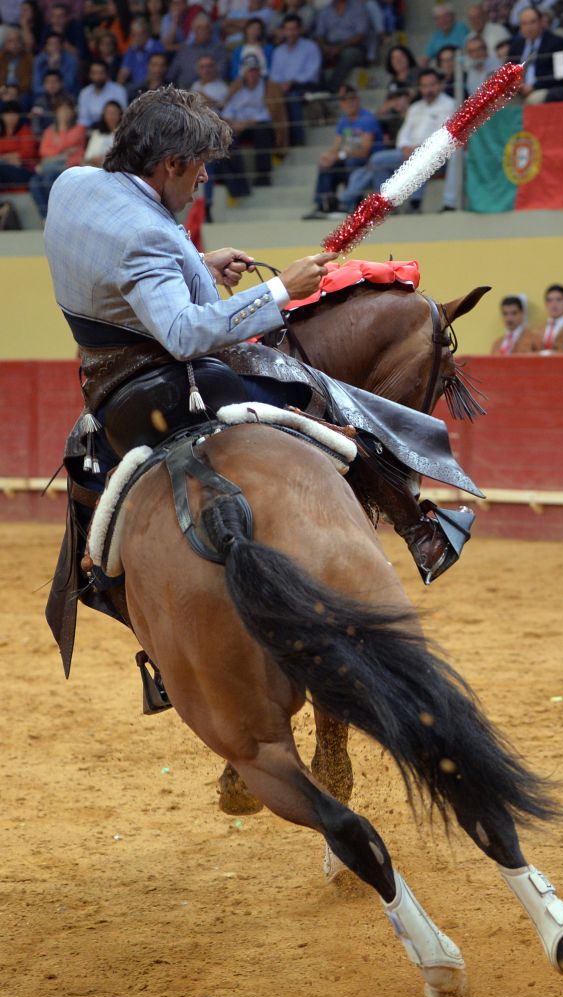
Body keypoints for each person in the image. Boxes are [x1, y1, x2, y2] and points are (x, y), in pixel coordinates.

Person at [42, 88, 478, 655]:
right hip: (172, 384)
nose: (202, 179)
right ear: (170, 163)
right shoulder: (148, 235)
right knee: (328, 398)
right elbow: (181, 334)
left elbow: (113, 261)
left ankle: (117, 588)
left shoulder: (72, 184)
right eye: (198, 167)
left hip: (102, 390)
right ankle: (419, 531)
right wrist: (280, 289)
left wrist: (197, 263)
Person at [358, 67, 457, 214]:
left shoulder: (450, 105)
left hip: (437, 156)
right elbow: (404, 133)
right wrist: (404, 147)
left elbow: (445, 137)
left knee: (422, 156)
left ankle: (415, 204)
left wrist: (420, 148)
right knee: (377, 160)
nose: (428, 89)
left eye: (432, 85)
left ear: (440, 85)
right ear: (420, 88)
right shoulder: (415, 107)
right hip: (409, 152)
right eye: (424, 86)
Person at [302, 83, 382, 217]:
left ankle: (354, 204)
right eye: (344, 100)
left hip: (367, 161)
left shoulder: (367, 119)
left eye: (352, 99)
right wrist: (327, 156)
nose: (349, 103)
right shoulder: (343, 121)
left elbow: (364, 151)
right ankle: (323, 205)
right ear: (341, 103)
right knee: (326, 165)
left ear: (358, 100)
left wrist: (339, 156)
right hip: (347, 157)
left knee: (351, 162)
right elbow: (337, 146)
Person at [220, 53, 285, 186]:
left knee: (263, 130)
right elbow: (227, 111)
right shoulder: (236, 86)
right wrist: (234, 124)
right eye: (250, 70)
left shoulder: (269, 86)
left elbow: (269, 114)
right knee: (226, 136)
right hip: (237, 125)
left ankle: (263, 176)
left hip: (258, 125)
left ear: (259, 71)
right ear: (244, 72)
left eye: (255, 70)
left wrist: (245, 124)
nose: (252, 74)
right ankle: (235, 180)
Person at [269, 13, 322, 146]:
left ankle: (298, 140)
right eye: (287, 29)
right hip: (282, 87)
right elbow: (274, 74)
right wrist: (282, 85)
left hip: (305, 85)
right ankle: (279, 143)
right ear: (283, 31)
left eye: (294, 29)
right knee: (271, 98)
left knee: (293, 96)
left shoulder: (311, 47)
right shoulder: (278, 51)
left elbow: (312, 72)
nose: (291, 33)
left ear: (300, 30)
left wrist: (292, 82)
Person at [29, 96, 84, 217]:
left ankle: (57, 216)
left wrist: (62, 128)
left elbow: (65, 145)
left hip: (69, 166)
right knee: (34, 182)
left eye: (67, 109)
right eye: (61, 110)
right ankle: (46, 217)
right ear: (56, 112)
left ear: (72, 112)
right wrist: (63, 153)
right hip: (54, 165)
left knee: (48, 179)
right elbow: (43, 152)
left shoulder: (79, 129)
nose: (64, 113)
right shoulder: (49, 131)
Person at [507, 6, 563, 102]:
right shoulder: (516, 45)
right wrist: (517, 85)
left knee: (534, 99)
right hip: (519, 90)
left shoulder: (559, 43)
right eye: (524, 23)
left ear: (541, 22)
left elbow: (561, 75)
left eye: (533, 22)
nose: (529, 27)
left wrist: (534, 86)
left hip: (543, 89)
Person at [314, 0, 370, 93]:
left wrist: (340, 47)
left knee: (349, 54)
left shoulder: (358, 8)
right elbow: (319, 35)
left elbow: (360, 35)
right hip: (330, 45)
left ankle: (331, 89)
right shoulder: (326, 10)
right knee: (314, 52)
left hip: (354, 46)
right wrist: (326, 48)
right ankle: (319, 89)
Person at [166, 12, 228, 89]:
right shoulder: (184, 51)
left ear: (211, 30)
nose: (203, 30)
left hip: (210, 93)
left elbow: (221, 73)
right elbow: (171, 75)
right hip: (183, 94)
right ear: (193, 30)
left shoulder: (219, 50)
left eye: (206, 27)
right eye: (199, 27)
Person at [117, 17, 166, 88]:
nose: (134, 38)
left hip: (153, 86)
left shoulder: (157, 47)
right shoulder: (131, 49)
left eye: (136, 34)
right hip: (135, 86)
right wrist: (117, 89)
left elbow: (158, 72)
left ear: (146, 33)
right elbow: (123, 72)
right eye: (132, 35)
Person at [77, 59, 127, 127]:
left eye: (101, 73)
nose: (98, 76)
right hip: (91, 130)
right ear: (90, 75)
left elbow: (122, 115)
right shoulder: (84, 93)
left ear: (107, 74)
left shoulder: (119, 90)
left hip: (113, 128)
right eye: (94, 73)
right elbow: (83, 118)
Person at [0, 98, 37, 188]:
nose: (11, 117)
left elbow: (27, 154)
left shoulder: (25, 131)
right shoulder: (1, 133)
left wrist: (3, 158)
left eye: (14, 113)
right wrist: (10, 159)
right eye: (7, 113)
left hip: (24, 170)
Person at [0, 27, 34, 111]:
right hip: (3, 91)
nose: (14, 44)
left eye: (17, 40)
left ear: (21, 43)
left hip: (21, 92)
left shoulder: (29, 59)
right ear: (5, 44)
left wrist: (15, 92)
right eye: (10, 41)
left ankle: (22, 124)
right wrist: (4, 91)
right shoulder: (0, 58)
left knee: (26, 100)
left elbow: (30, 80)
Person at [82, 98, 123, 166]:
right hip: (95, 168)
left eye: (114, 113)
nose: (111, 116)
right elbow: (87, 158)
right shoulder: (96, 133)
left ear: (120, 114)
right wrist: (95, 160)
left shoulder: (125, 135)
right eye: (108, 113)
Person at [539, 283, 563, 351]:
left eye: (558, 300)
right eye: (550, 300)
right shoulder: (538, 329)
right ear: (546, 304)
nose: (554, 304)